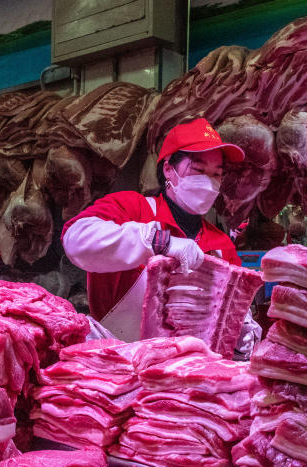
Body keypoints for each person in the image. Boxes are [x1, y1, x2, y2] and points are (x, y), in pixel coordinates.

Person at [62, 117, 262, 354]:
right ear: (168, 168)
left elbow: (235, 314)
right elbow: (76, 239)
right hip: (117, 366)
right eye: (198, 170)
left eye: (216, 175)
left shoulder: (221, 244)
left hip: (191, 374)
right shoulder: (133, 209)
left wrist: (242, 331)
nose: (208, 183)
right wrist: (157, 242)